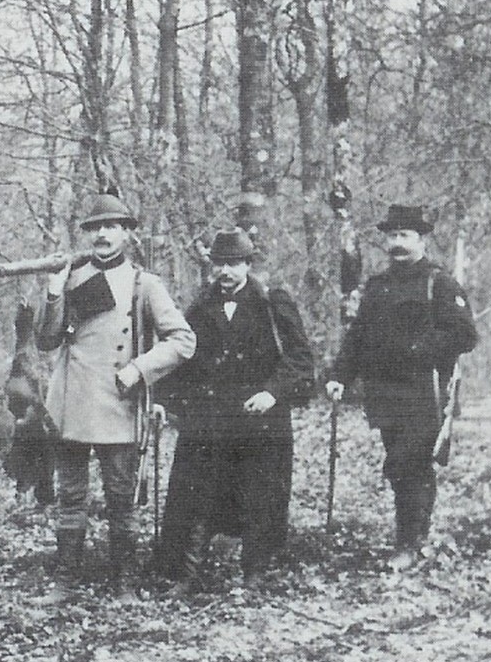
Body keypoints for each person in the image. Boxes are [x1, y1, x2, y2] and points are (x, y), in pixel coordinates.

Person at [34, 192, 196, 600]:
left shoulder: (145, 284)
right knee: (70, 497)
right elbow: (46, 340)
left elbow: (183, 340)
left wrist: (140, 370)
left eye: (111, 226)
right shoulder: (70, 275)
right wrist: (54, 294)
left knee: (122, 500)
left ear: (126, 233)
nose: (102, 234)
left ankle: (124, 583)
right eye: (95, 228)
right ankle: (66, 581)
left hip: (120, 404)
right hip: (71, 403)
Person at [153, 227, 316, 592]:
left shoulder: (273, 303)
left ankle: (256, 572)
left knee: (260, 495)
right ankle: (187, 573)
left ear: (248, 264)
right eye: (220, 264)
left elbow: (301, 359)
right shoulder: (199, 306)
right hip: (210, 417)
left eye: (234, 264)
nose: (226, 272)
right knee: (196, 494)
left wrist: (273, 393)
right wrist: (165, 401)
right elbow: (180, 357)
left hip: (260, 418)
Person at [326, 204, 477, 570]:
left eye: (404, 236)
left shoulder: (438, 283)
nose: (396, 243)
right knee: (402, 467)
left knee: (409, 464)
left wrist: (420, 349)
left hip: (424, 392)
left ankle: (410, 545)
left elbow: (464, 334)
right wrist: (339, 376)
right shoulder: (377, 286)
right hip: (384, 395)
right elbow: (358, 336)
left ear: (421, 239)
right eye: (391, 236)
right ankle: (409, 539)